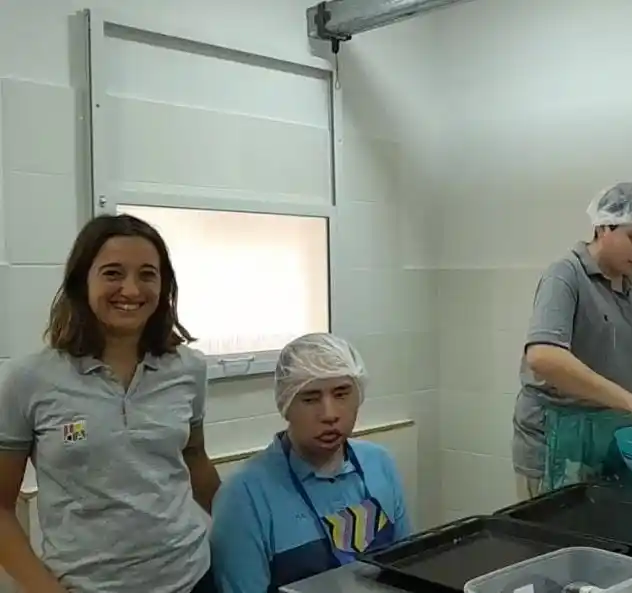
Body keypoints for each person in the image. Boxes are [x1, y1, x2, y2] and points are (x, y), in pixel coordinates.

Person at [0, 214, 221, 593]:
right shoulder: (29, 379)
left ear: (164, 286)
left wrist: (247, 530)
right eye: (113, 273)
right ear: (81, 281)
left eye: (147, 274)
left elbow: (195, 455)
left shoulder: (188, 369)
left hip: (193, 578)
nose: (131, 289)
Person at [512, 182, 632, 500]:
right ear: (602, 227)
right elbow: (543, 355)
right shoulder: (566, 275)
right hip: (558, 440)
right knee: (557, 537)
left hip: (609, 437)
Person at [210, 333, 411, 593]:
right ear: (286, 404)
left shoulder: (379, 464)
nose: (329, 414)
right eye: (310, 398)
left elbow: (406, 569)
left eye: (341, 394)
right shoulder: (244, 495)